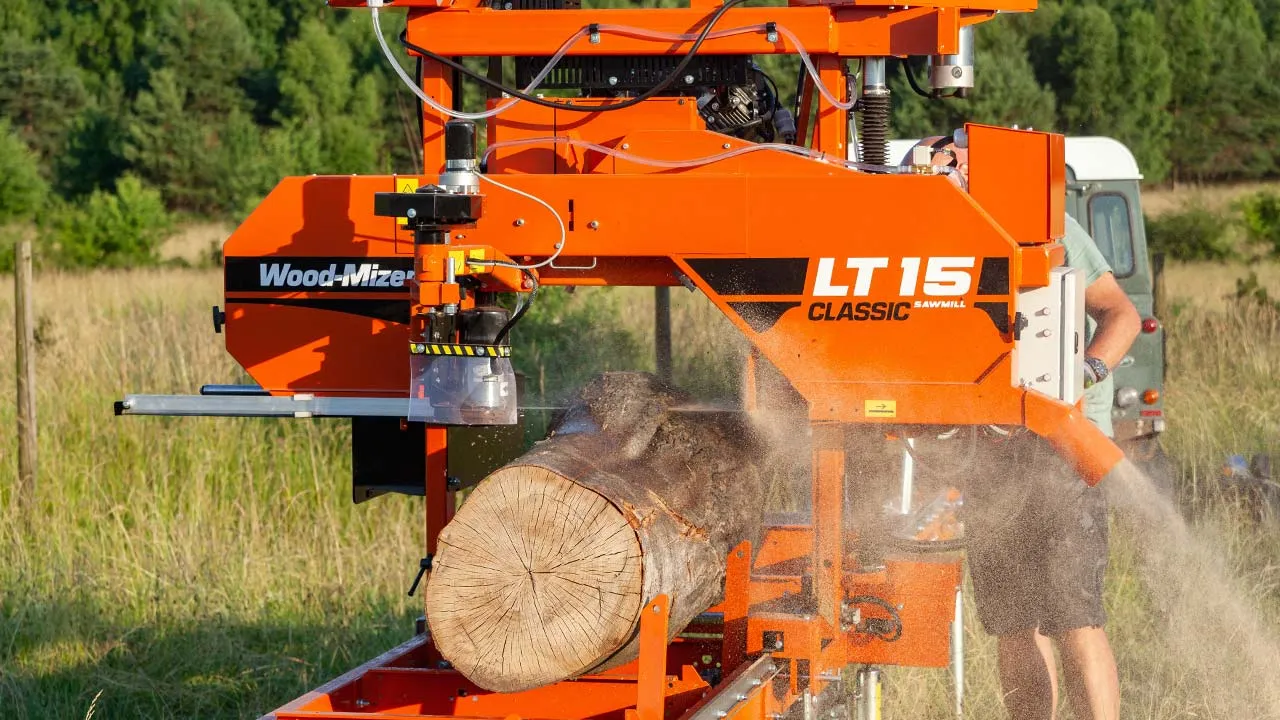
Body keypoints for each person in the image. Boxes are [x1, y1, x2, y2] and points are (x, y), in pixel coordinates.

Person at [907, 135, 1142, 720]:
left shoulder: (1049, 225)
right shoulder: (933, 238)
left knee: (1073, 616)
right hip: (989, 453)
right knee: (1013, 620)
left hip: (1064, 445)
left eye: (952, 162)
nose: (945, 171)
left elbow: (1122, 313)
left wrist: (1083, 372)